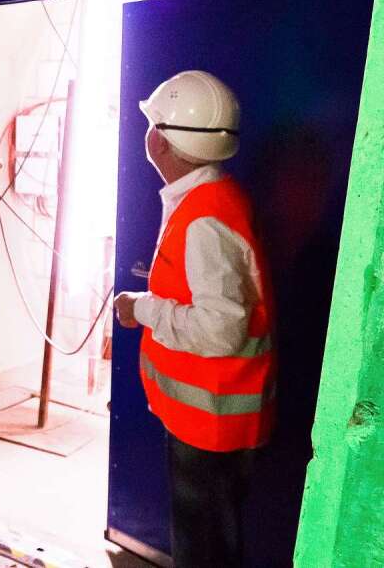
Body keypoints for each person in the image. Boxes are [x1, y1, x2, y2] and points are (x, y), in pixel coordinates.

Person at [113, 70, 275, 567]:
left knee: (202, 551)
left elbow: (220, 329)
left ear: (157, 139)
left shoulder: (205, 217)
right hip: (209, 417)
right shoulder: (207, 197)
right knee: (210, 542)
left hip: (212, 424)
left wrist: (139, 308)